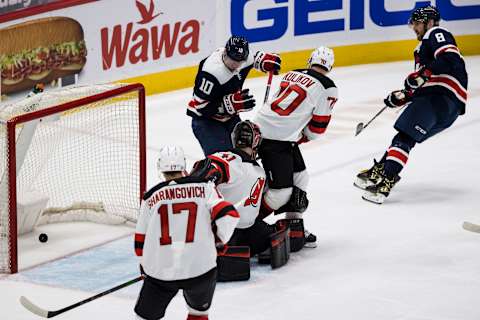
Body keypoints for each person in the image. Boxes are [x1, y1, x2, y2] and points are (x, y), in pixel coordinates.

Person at [356, 5, 468, 204]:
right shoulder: (423, 49)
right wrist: (403, 96)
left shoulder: (436, 33)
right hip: (447, 109)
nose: (415, 27)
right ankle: (382, 169)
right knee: (405, 137)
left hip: (438, 97)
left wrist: (423, 74)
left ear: (430, 22)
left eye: (418, 23)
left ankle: (386, 180)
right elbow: (424, 80)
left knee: (404, 137)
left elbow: (450, 58)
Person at [134, 145, 239, 320]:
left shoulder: (150, 197)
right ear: (183, 166)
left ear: (160, 168)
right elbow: (229, 214)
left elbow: (140, 244)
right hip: (200, 269)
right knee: (198, 313)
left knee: (144, 317)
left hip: (161, 271)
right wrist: (219, 243)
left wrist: (146, 265)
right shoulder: (205, 187)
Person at [253, 46, 339, 247]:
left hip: (261, 128)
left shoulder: (292, 73)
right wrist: (303, 135)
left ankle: (294, 226)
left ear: (310, 61)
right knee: (281, 192)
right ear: (330, 67)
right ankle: (247, 224)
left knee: (300, 177)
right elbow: (317, 130)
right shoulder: (329, 87)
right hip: (277, 139)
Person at [187, 35, 281, 156]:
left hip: (230, 118)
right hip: (206, 122)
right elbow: (201, 106)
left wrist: (264, 61)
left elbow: (256, 58)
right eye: (233, 60)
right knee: (224, 160)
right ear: (225, 52)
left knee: (246, 155)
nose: (236, 65)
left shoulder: (242, 58)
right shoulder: (211, 72)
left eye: (240, 61)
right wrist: (228, 105)